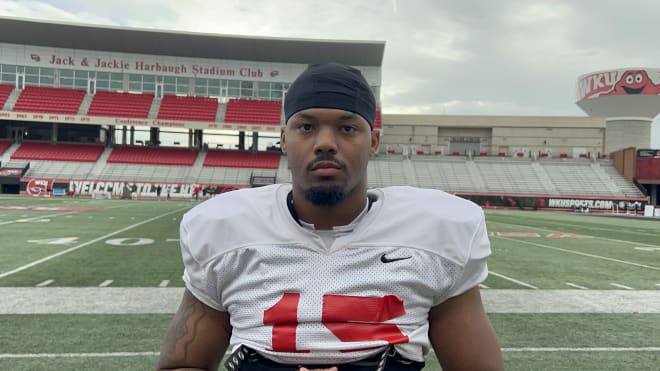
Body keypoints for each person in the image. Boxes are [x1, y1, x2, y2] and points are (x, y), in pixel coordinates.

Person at [157, 62, 503, 371]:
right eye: (306, 127)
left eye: (347, 128)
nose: (325, 143)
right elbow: (184, 364)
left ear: (374, 141)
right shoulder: (224, 228)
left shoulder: (436, 231)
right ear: (283, 139)